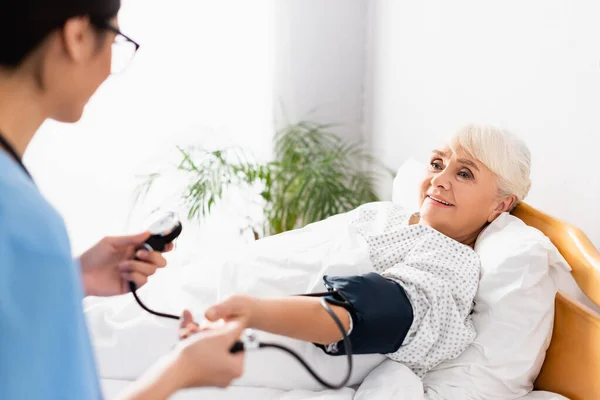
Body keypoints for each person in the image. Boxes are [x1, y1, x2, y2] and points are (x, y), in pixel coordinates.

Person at [0, 1, 244, 399]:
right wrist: (183, 368)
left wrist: (69, 279)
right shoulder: (25, 224)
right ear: (77, 36)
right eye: (116, 40)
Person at [182, 124, 532, 378]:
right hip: (209, 280)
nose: (439, 180)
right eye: (438, 164)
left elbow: (368, 316)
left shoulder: (451, 260)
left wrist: (251, 311)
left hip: (229, 320)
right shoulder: (386, 213)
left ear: (501, 205)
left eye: (465, 174)